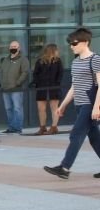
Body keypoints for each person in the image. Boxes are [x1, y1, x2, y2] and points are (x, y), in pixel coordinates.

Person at [43, 28, 100, 180]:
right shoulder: (75, 62)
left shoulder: (95, 60)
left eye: (74, 43)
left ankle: (64, 168)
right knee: (95, 137)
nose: (71, 46)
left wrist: (96, 107)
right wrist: (63, 105)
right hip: (79, 104)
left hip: (90, 104)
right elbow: (74, 87)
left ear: (85, 42)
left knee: (76, 134)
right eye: (70, 43)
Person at [32, 43, 63, 135]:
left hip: (54, 87)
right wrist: (37, 83)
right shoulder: (40, 61)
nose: (57, 51)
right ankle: (42, 127)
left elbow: (60, 73)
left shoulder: (58, 61)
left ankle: (54, 127)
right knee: (41, 108)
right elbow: (35, 73)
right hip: (41, 87)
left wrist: (57, 83)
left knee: (54, 108)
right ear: (53, 50)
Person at [0, 40, 29, 134]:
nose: (13, 48)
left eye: (15, 46)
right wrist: (1, 83)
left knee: (17, 108)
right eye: (11, 46)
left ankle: (18, 128)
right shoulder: (6, 60)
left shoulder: (23, 59)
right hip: (5, 88)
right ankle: (11, 127)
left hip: (16, 88)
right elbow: (1, 72)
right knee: (8, 108)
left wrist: (18, 82)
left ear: (19, 48)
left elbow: (25, 72)